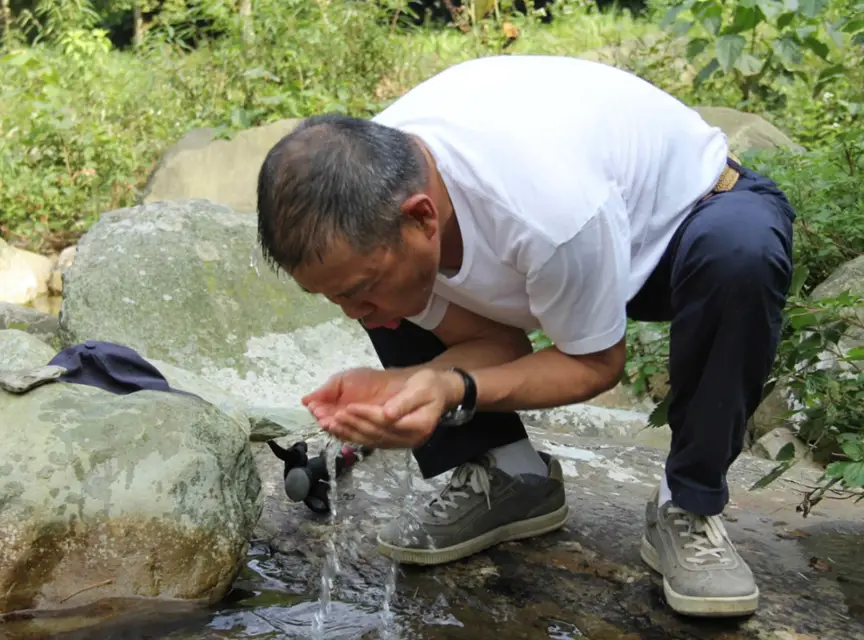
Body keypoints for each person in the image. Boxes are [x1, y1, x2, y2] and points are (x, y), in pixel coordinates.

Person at [255, 55, 795, 618]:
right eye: (332, 296)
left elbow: (594, 363)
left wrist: (452, 388)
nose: (351, 313)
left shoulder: (547, 207)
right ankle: (511, 476)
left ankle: (687, 504)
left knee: (741, 255)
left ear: (422, 219)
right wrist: (406, 386)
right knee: (392, 298)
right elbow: (502, 349)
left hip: (673, 229)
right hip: (550, 247)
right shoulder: (369, 188)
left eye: (358, 289)